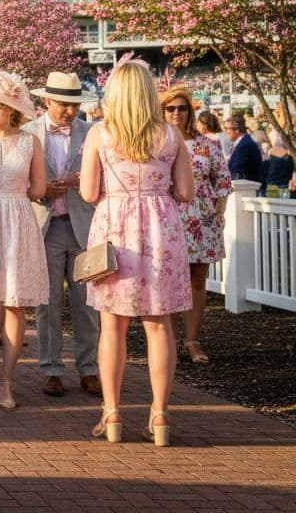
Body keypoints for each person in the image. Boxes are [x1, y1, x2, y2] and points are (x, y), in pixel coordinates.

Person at [80, 58, 193, 446]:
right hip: (161, 229)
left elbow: (89, 193)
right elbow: (185, 192)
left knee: (112, 326)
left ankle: (112, 413)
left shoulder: (100, 134)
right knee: (159, 325)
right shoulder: (171, 135)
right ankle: (159, 415)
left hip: (115, 231)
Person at [0, 72, 47, 410]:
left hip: (18, 220)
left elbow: (39, 189)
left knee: (16, 304)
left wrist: (14, 193)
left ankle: (8, 379)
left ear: (13, 108)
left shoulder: (30, 142)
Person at [29, 73, 101, 398]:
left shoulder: (92, 132)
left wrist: (82, 181)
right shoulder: (29, 133)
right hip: (45, 226)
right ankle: (52, 369)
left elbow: (105, 178)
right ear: (47, 102)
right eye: (63, 104)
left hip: (82, 225)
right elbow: (14, 181)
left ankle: (90, 368)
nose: (69, 111)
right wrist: (40, 191)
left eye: (74, 105)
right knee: (48, 302)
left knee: (87, 301)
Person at [159, 86, 231, 367]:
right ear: (163, 111)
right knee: (170, 278)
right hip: (168, 218)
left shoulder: (207, 145)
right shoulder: (156, 144)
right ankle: (169, 341)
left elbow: (222, 181)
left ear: (190, 110)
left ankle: (192, 339)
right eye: (171, 108)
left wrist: (218, 210)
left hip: (201, 220)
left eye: (182, 108)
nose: (177, 113)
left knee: (198, 278)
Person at [225, 116, 262, 182]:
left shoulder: (245, 145)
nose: (226, 132)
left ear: (236, 130)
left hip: (248, 187)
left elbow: (236, 169)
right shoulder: (242, 142)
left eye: (227, 128)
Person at [262, 131, 293, 196]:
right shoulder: (289, 158)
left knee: (274, 202)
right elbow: (290, 173)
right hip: (284, 187)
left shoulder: (269, 158)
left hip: (272, 187)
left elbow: (264, 173)